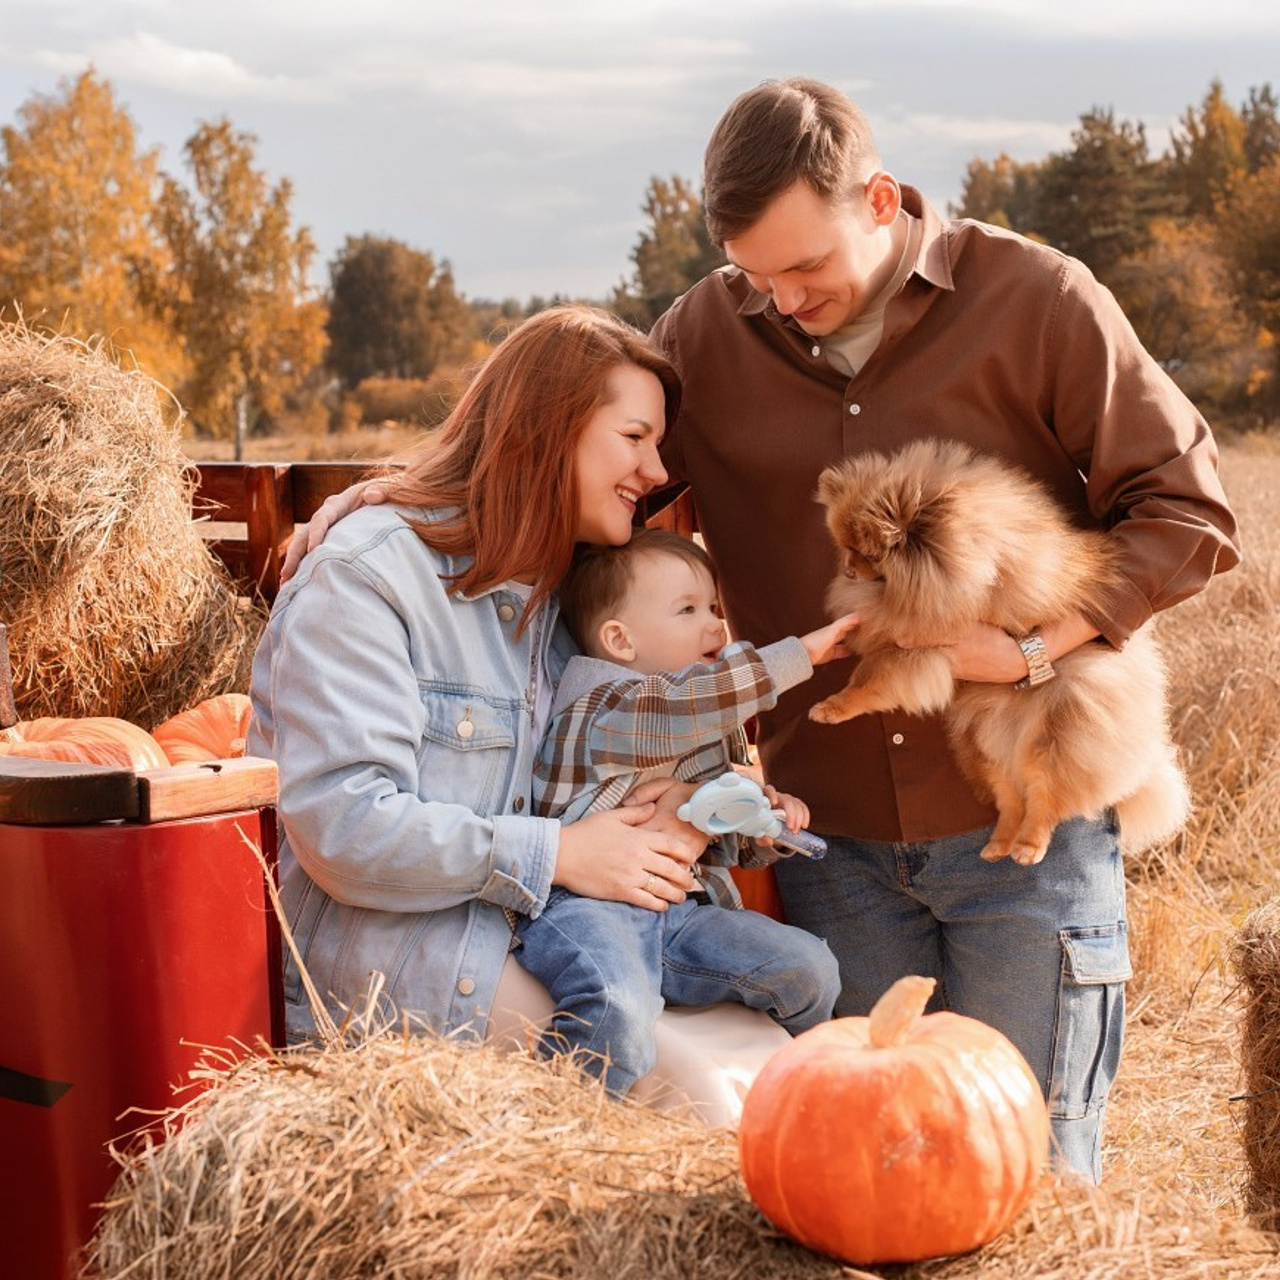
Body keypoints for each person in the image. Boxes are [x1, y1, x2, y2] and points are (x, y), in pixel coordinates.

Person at [282, 78, 1241, 1180]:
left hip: (1018, 827)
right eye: (753, 274)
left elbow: (1188, 512)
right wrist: (392, 498)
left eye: (804, 270)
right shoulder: (704, 331)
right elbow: (578, 457)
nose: (780, 300)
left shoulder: (1039, 300)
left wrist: (1030, 648)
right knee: (859, 1185)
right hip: (830, 846)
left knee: (1026, 1167)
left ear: (877, 199)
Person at [248, 303, 805, 1125]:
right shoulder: (367, 579)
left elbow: (658, 736)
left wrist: (686, 813)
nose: (657, 472)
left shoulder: (572, 592)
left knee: (770, 1060)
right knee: (701, 1095)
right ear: (550, 431)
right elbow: (346, 829)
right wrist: (564, 852)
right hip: (411, 959)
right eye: (636, 438)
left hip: (559, 930)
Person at [520, 528, 850, 1094]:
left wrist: (763, 823)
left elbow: (721, 835)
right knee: (617, 1010)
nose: (716, 625)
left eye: (715, 607)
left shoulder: (702, 728)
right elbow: (685, 705)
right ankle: (557, 1129)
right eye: (688, 609)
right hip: (589, 910)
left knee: (809, 969)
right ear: (621, 641)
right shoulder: (604, 705)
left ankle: (801, 1100)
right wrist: (803, 655)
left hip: (680, 917)